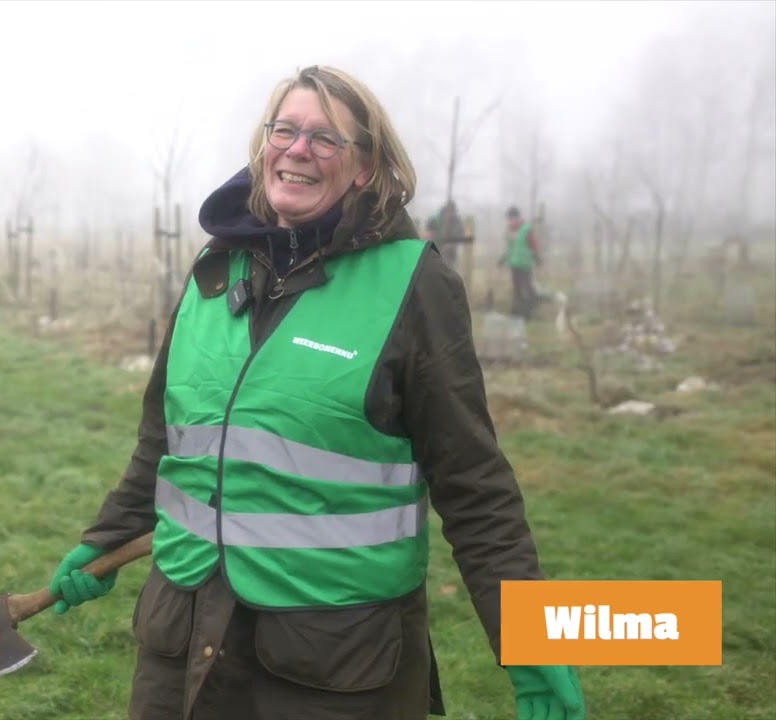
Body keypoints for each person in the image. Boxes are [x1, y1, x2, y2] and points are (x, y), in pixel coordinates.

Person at [45, 65, 584, 720]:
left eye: (326, 138)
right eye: (286, 130)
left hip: (335, 664)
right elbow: (165, 441)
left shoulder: (413, 286)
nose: (298, 150)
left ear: (364, 166)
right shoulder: (214, 273)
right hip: (183, 643)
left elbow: (475, 483)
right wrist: (108, 535)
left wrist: (530, 639)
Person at [500, 206, 542, 320]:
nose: (510, 221)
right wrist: (504, 258)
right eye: (509, 219)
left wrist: (536, 256)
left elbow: (534, 244)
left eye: (512, 218)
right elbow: (510, 247)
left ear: (518, 218)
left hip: (525, 264)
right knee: (516, 290)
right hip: (514, 264)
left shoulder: (526, 229)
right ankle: (516, 313)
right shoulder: (510, 231)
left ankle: (529, 313)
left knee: (526, 289)